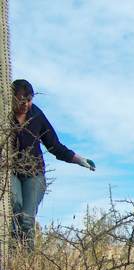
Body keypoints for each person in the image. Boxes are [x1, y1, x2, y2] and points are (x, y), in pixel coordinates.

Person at [8, 79, 95, 250]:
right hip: (11, 173)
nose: (26, 104)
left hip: (34, 174)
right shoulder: (5, 115)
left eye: (29, 99)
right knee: (14, 210)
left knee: (26, 218)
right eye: (21, 99)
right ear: (11, 97)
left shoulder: (37, 115)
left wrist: (78, 159)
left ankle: (26, 261)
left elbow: (54, 145)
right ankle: (10, 258)